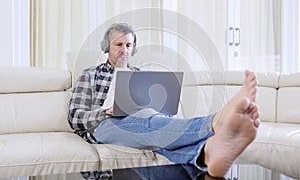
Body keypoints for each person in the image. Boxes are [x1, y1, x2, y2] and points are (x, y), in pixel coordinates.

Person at [68, 23, 260, 178]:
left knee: (154, 129)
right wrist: (105, 112)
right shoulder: (91, 74)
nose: (124, 50)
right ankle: (213, 122)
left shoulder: (139, 76)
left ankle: (205, 154)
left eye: (128, 45)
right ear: (106, 47)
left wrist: (160, 113)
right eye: (118, 45)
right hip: (103, 127)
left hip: (142, 122)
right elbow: (74, 117)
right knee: (149, 123)